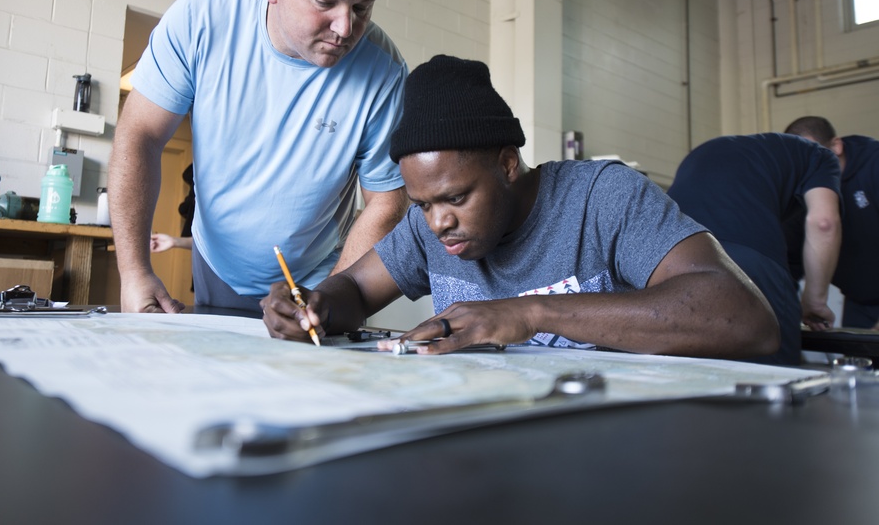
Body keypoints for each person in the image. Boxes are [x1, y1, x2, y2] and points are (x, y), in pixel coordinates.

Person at [262, 55, 780, 361]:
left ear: (508, 164)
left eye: (456, 197)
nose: (438, 221)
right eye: (422, 204)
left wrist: (529, 313)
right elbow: (353, 288)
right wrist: (315, 304)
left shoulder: (604, 197)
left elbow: (743, 317)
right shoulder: (428, 226)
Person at [110, 0, 409, 316]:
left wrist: (334, 297)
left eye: (362, 7)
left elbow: (386, 201)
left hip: (319, 273)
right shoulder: (202, 17)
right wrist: (135, 271)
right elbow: (139, 135)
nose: (345, 28)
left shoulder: (385, 71)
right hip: (216, 264)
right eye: (325, 2)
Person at [666, 132, 842, 365]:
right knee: (773, 383)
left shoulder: (704, 151)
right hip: (749, 263)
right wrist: (815, 302)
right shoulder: (820, 155)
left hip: (673, 262)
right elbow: (824, 222)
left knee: (693, 380)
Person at [785, 116, 879, 329]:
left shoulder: (874, 165)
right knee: (859, 360)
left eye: (814, 156)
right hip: (859, 302)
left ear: (836, 146)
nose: (808, 169)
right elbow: (788, 262)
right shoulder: (801, 194)